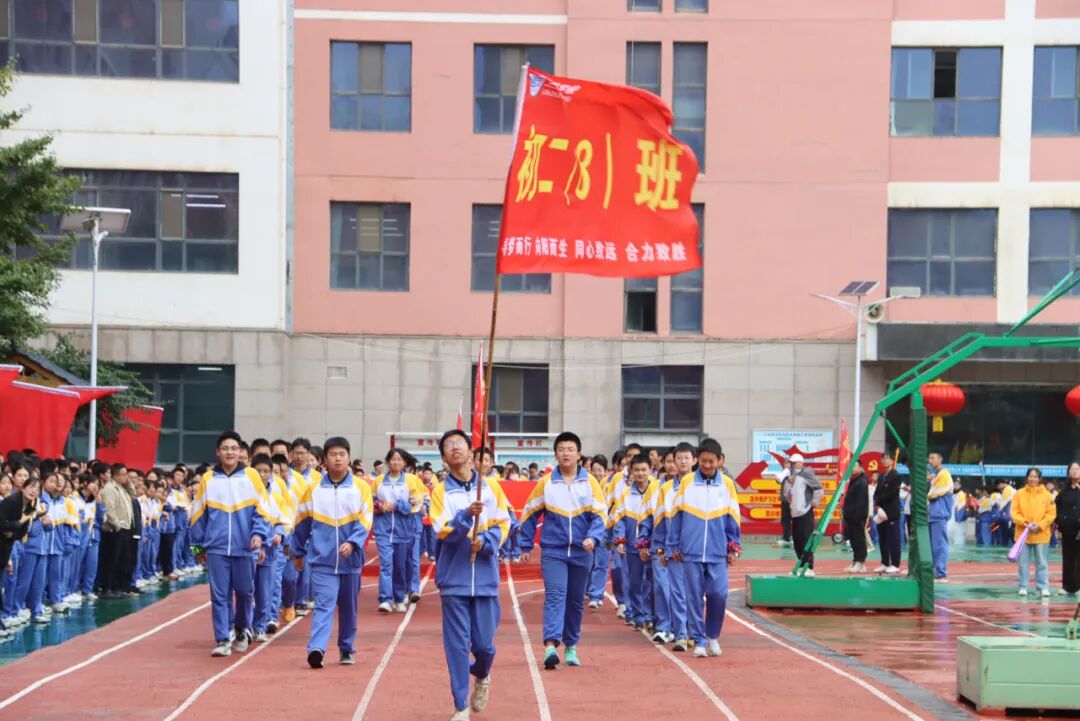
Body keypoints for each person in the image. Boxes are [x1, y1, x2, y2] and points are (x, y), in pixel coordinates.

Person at [430, 429, 511, 721]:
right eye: (448, 445)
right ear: (443, 457)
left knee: (485, 644)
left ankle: (483, 673)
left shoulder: (491, 488)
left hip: (486, 578)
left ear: (471, 452)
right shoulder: (439, 493)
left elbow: (504, 525)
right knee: (456, 646)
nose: (455, 448)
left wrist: (486, 542)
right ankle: (460, 704)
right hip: (454, 579)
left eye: (459, 443)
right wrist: (465, 516)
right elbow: (442, 532)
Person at [519, 431, 607, 670]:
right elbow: (528, 513)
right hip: (554, 551)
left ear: (578, 454)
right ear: (556, 454)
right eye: (561, 449)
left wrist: (593, 538)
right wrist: (525, 545)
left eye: (570, 449)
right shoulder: (546, 483)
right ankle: (550, 645)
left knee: (576, 601)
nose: (566, 453)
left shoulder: (590, 483)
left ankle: (570, 645)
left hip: (582, 551)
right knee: (556, 595)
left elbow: (600, 515)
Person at [189, 431, 273, 657]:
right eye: (225, 448)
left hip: (245, 547)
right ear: (218, 452)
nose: (229, 452)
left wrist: (258, 535)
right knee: (219, 595)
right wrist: (197, 548)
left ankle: (241, 628)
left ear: (240, 452)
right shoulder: (208, 479)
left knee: (245, 592)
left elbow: (262, 509)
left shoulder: (251, 476)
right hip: (216, 548)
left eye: (233, 448)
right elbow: (197, 515)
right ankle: (223, 639)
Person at [292, 437, 373, 668]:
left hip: (351, 559)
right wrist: (297, 552)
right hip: (322, 558)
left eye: (342, 454)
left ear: (348, 457)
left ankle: (346, 647)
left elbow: (366, 519)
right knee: (323, 604)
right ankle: (316, 648)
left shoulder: (361, 487)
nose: (338, 458)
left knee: (348, 608)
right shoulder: (314, 489)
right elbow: (302, 522)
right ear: (324, 459)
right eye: (333, 454)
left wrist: (353, 542)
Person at [666, 438, 741, 658]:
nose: (707, 465)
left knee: (719, 593)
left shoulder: (726, 484)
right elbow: (675, 515)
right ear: (698, 460)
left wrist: (733, 546)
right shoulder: (687, 482)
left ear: (719, 461)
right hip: (691, 550)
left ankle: (712, 636)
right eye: (704, 461)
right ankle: (698, 640)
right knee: (694, 596)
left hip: (718, 551)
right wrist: (673, 545)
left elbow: (733, 517)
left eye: (712, 461)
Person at [371, 448, 425, 613]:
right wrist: (378, 506)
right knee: (386, 564)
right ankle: (385, 599)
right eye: (393, 460)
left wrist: (397, 506)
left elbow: (413, 504)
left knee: (400, 566)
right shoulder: (379, 481)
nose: (396, 463)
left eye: (399, 460)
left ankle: (399, 598)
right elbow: (371, 499)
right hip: (383, 529)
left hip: (403, 530)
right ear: (387, 462)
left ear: (404, 463)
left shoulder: (410, 481)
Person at [609, 456, 660, 631]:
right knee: (635, 582)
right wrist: (620, 539)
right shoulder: (625, 494)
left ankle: (651, 615)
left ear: (651, 469)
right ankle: (638, 616)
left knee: (652, 583)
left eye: (643, 469)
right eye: (636, 470)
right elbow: (619, 518)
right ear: (631, 471)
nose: (640, 473)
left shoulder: (657, 491)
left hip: (653, 546)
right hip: (631, 545)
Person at [1011, 467, 1056, 599]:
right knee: (1023, 563)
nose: (1033, 479)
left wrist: (1040, 525)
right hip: (1022, 534)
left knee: (1042, 562)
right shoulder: (1019, 494)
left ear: (1039, 479)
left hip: (1041, 535)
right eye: (1031, 476)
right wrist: (1025, 523)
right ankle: (1023, 586)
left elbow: (1051, 514)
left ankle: (1043, 587)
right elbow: (1014, 513)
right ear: (1027, 478)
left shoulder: (1047, 495)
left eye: (1035, 476)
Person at [779, 454, 823, 577]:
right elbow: (786, 494)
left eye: (795, 463)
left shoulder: (807, 474)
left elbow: (819, 489)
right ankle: (801, 565)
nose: (793, 465)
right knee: (797, 541)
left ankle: (810, 567)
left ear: (801, 463)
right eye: (791, 463)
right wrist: (788, 481)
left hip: (805, 512)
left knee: (806, 540)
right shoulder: (791, 477)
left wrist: (812, 503)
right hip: (795, 513)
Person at [927, 451, 954, 582]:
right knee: (934, 545)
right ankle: (936, 570)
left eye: (933, 458)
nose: (930, 460)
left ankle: (941, 573)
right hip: (933, 514)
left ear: (940, 459)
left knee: (939, 545)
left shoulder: (943, 474)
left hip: (939, 514)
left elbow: (932, 494)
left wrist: (931, 481)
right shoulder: (936, 475)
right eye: (929, 458)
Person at [873, 453, 902, 574]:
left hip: (891, 511)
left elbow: (892, 493)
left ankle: (895, 564)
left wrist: (879, 500)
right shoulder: (881, 476)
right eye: (882, 459)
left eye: (886, 459)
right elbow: (876, 492)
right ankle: (885, 563)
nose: (884, 461)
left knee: (893, 539)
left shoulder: (896, 476)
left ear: (892, 460)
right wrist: (876, 503)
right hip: (880, 512)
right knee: (883, 539)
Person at [1056, 461, 1080, 596]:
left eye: (1077, 469)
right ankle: (1067, 586)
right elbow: (1057, 508)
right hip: (1067, 529)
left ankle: (1078, 586)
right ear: (1069, 472)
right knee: (1068, 558)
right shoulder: (1063, 491)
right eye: (1073, 469)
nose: (1075, 471)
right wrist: (1059, 524)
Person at [842, 459, 870, 573]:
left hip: (857, 516)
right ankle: (855, 561)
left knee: (859, 540)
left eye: (855, 466)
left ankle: (861, 563)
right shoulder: (854, 480)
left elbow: (861, 501)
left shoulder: (862, 482)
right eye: (851, 466)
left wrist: (857, 517)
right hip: (850, 516)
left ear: (860, 468)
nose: (852, 468)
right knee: (853, 540)